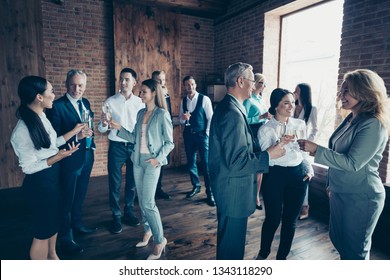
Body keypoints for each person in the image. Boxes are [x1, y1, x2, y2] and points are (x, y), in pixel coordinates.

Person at [298, 69, 389, 260]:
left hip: (361, 196)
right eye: (342, 89)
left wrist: (316, 150)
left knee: (354, 251)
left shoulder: (373, 124)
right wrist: (332, 184)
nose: (341, 95)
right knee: (339, 240)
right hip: (341, 191)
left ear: (365, 92)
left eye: (347, 90)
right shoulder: (351, 117)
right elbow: (338, 153)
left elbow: (353, 163)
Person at [209, 62, 285, 260]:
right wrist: (269, 156)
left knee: (230, 246)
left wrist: (266, 147)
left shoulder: (231, 106)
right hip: (233, 191)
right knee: (231, 251)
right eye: (252, 81)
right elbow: (236, 162)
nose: (255, 85)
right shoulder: (231, 113)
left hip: (230, 187)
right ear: (241, 81)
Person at [11, 76, 83, 259]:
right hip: (39, 184)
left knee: (54, 222)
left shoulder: (41, 116)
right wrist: (57, 157)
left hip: (52, 178)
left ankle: (53, 255)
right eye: (50, 91)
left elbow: (51, 145)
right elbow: (28, 167)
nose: (54, 94)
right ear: (39, 97)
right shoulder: (21, 131)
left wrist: (74, 133)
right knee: (42, 233)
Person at [110, 79, 174, 260]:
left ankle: (160, 240)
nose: (140, 95)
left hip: (152, 162)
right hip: (137, 162)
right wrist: (118, 128)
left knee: (148, 202)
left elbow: (170, 143)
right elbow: (133, 137)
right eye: (140, 92)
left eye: (144, 92)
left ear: (154, 93)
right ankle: (147, 231)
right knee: (143, 201)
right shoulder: (140, 113)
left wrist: (159, 160)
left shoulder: (162, 114)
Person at [257, 88, 314, 260]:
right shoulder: (266, 130)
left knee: (290, 221)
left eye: (293, 102)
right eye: (286, 102)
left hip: (298, 175)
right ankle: (263, 253)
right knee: (273, 219)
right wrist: (280, 143)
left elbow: (304, 152)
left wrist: (309, 168)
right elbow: (266, 159)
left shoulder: (300, 125)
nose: (291, 106)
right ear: (275, 106)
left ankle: (282, 258)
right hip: (275, 176)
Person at [46, 69, 96, 256]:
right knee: (66, 199)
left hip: (87, 156)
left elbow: (88, 125)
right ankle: (66, 238)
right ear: (67, 84)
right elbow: (54, 139)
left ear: (85, 86)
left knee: (80, 195)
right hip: (68, 159)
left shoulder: (86, 102)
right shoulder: (57, 106)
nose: (77, 89)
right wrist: (76, 135)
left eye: (80, 85)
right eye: (73, 85)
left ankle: (78, 225)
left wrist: (91, 141)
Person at [98, 67, 145, 234]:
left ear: (134, 82)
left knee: (132, 183)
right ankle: (116, 216)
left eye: (127, 79)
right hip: (116, 146)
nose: (123, 82)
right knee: (115, 183)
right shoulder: (110, 101)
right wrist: (104, 123)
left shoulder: (140, 103)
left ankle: (129, 212)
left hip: (133, 146)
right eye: (121, 79)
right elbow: (102, 129)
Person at [179, 75, 215, 206]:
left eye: (192, 84)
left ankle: (210, 193)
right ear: (185, 86)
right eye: (188, 85)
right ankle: (196, 186)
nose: (190, 87)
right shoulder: (183, 101)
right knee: (191, 162)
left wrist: (206, 134)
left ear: (195, 85)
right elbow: (181, 121)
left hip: (202, 136)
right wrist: (183, 118)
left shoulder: (204, 99)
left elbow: (211, 118)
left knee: (206, 164)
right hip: (188, 135)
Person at [243, 73, 272, 211]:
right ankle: (249, 196)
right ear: (256, 84)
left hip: (262, 134)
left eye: (265, 84)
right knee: (254, 166)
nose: (265, 86)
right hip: (253, 134)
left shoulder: (261, 100)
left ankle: (256, 196)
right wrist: (261, 116)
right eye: (263, 83)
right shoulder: (248, 101)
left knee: (260, 168)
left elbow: (265, 117)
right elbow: (244, 121)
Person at [293, 83, 318, 220]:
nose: (294, 92)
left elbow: (315, 129)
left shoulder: (312, 109)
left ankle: (305, 207)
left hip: (304, 147)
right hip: (291, 146)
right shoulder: (292, 107)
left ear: (303, 93)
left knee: (304, 175)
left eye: (296, 91)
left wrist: (308, 142)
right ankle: (293, 203)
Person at [152, 70, 172, 200]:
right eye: (158, 80)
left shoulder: (166, 95)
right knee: (151, 164)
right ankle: (149, 192)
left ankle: (158, 189)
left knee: (161, 162)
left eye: (163, 80)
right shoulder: (148, 94)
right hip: (153, 135)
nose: (161, 83)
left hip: (163, 134)